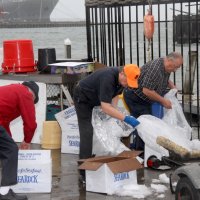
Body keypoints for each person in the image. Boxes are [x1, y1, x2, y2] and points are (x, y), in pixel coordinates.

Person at [73, 64, 141, 179]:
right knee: (87, 132)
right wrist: (125, 118)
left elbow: (115, 95)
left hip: (96, 98)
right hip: (83, 98)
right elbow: (105, 107)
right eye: (127, 81)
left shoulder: (122, 80)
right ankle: (83, 170)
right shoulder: (108, 78)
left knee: (106, 128)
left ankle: (99, 157)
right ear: (122, 73)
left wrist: (114, 113)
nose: (128, 85)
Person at [123, 52, 183, 150]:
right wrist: (163, 101)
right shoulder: (155, 69)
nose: (175, 70)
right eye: (175, 67)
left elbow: (165, 78)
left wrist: (172, 86)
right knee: (143, 124)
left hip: (144, 99)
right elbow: (146, 90)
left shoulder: (165, 66)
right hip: (135, 97)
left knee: (146, 123)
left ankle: (144, 149)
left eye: (177, 67)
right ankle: (141, 151)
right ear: (169, 61)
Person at [0, 81, 39, 200]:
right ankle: (4, 193)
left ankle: (5, 189)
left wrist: (10, 140)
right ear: (33, 95)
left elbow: (4, 123)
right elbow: (31, 124)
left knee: (7, 149)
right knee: (11, 150)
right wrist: (26, 141)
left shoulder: (12, 90)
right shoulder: (25, 93)